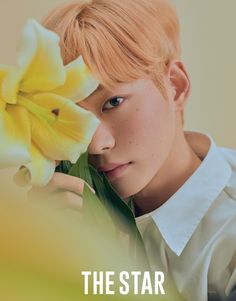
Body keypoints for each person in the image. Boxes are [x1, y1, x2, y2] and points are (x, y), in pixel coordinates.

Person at [29, 0, 236, 300]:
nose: (95, 144)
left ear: (176, 86)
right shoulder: (72, 208)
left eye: (113, 103)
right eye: (66, 115)